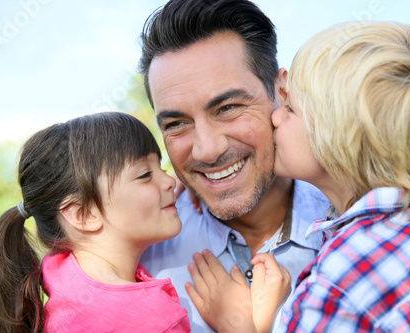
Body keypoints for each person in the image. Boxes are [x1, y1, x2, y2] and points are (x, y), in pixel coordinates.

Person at [188, 21, 410, 332]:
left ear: (339, 138)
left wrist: (243, 327)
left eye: (291, 109)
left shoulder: (341, 279)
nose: (276, 115)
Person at [138, 0, 331, 331]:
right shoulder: (142, 255)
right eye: (176, 124)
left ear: (282, 91)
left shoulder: (360, 225)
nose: (207, 151)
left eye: (227, 107)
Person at [0, 112, 191, 332]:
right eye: (145, 174)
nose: (169, 181)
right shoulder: (152, 319)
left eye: (162, 168)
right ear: (83, 214)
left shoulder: (59, 270)